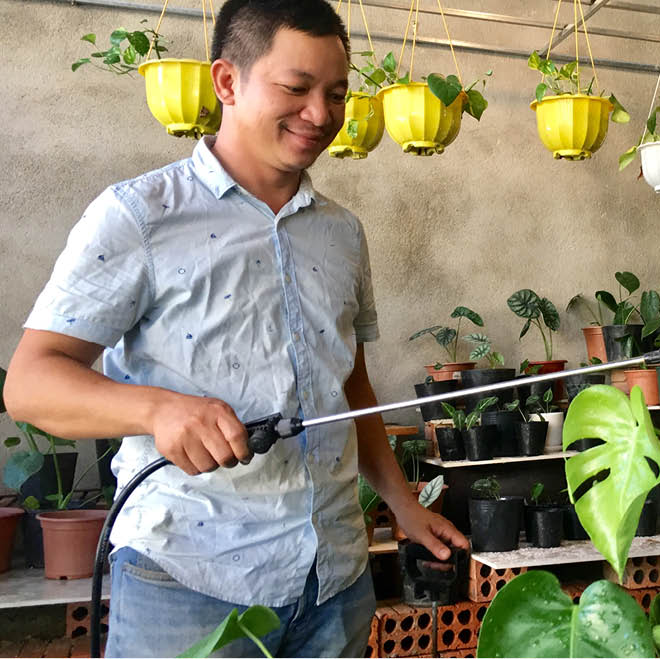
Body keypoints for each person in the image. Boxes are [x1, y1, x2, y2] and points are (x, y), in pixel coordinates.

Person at [3, 1, 467, 656]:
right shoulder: (139, 216)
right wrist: (159, 408)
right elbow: (29, 382)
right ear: (226, 82)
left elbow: (349, 382)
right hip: (188, 582)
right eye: (296, 88)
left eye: (335, 93)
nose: (321, 115)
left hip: (333, 580)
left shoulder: (341, 233)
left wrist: (400, 501)